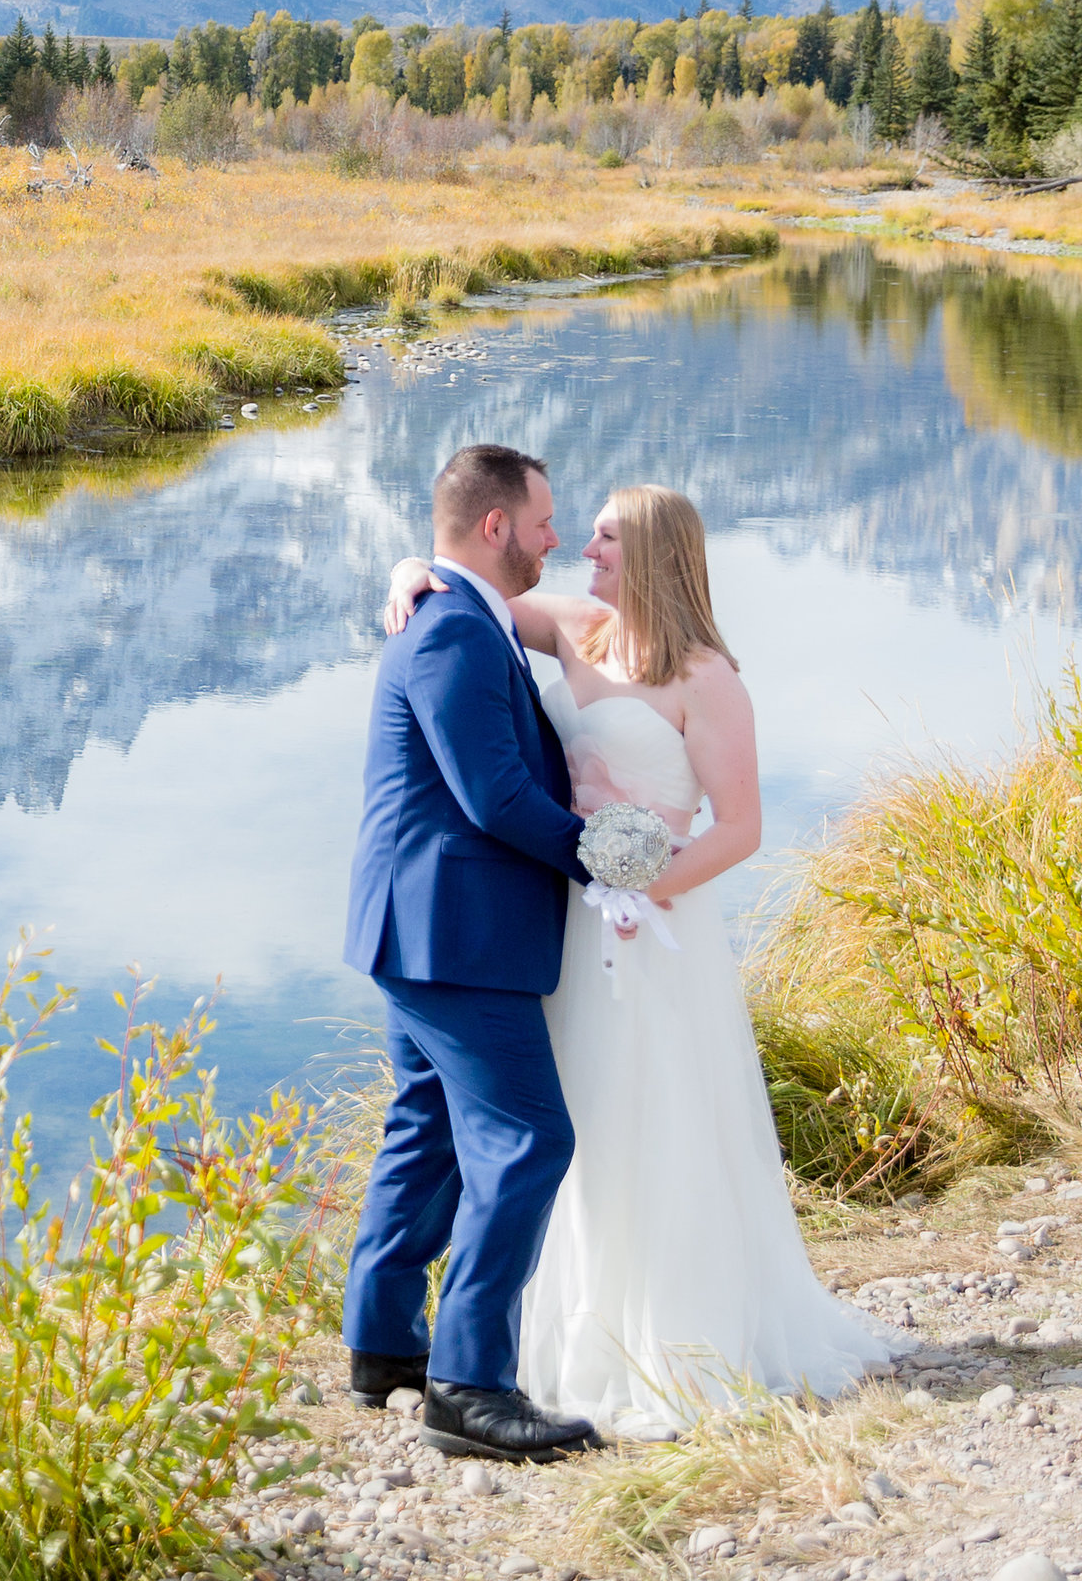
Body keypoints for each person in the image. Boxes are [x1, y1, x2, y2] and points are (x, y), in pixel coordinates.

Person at [383, 483, 910, 1437]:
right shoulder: (578, 627)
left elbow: (741, 827)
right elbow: (474, 595)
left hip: (652, 931)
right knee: (570, 1121)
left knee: (656, 1115)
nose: (584, 546)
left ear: (658, 553)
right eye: (581, 533)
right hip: (570, 924)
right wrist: (407, 569)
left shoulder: (707, 677)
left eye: (606, 536)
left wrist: (645, 882)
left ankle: (675, 1340)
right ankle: (546, 1339)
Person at [341, 444, 608, 1464]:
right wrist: (605, 864)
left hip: (423, 929)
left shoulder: (457, 611)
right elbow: (494, 797)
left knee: (430, 1134)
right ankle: (468, 1385)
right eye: (545, 521)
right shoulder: (451, 630)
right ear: (496, 526)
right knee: (529, 1140)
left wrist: (413, 563)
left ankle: (383, 1344)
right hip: (458, 934)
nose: (556, 537)